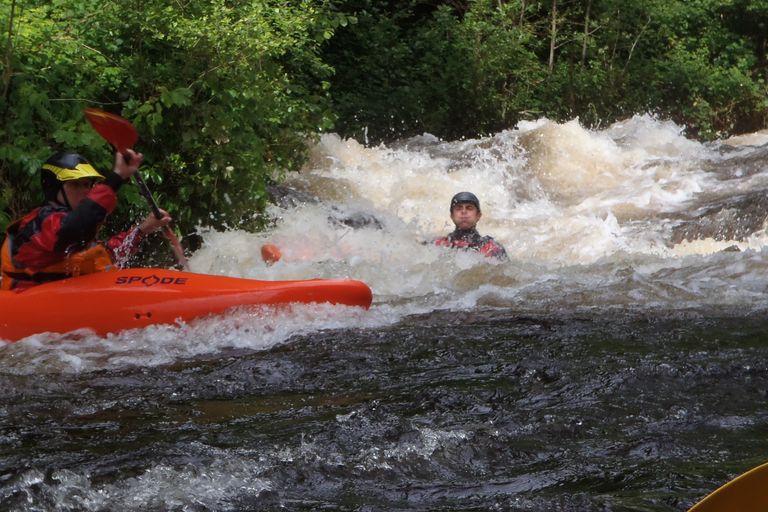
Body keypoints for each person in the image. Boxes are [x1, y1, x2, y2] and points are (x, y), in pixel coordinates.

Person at [1, 150, 171, 291]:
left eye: (87, 185)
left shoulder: (75, 228)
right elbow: (72, 229)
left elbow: (109, 256)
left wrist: (142, 229)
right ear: (54, 188)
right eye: (75, 185)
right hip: (28, 306)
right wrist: (116, 178)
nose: (84, 191)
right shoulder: (41, 223)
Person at [434, 191, 508, 261]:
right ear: (452, 216)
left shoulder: (491, 248)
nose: (464, 212)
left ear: (478, 215)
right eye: (459, 208)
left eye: (469, 208)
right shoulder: (438, 244)